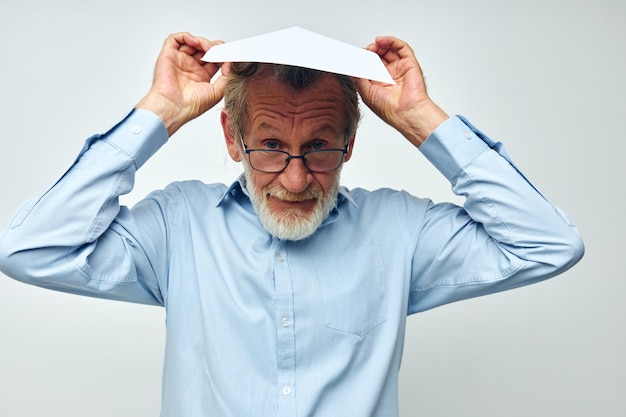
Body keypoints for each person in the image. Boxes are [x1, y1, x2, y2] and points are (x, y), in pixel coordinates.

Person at [0, 31, 583, 416]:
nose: (296, 179)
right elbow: (30, 249)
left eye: (321, 146)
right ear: (233, 139)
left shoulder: (400, 232)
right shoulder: (178, 227)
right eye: (271, 145)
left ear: (351, 143)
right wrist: (161, 113)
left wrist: (418, 119)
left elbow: (548, 244)